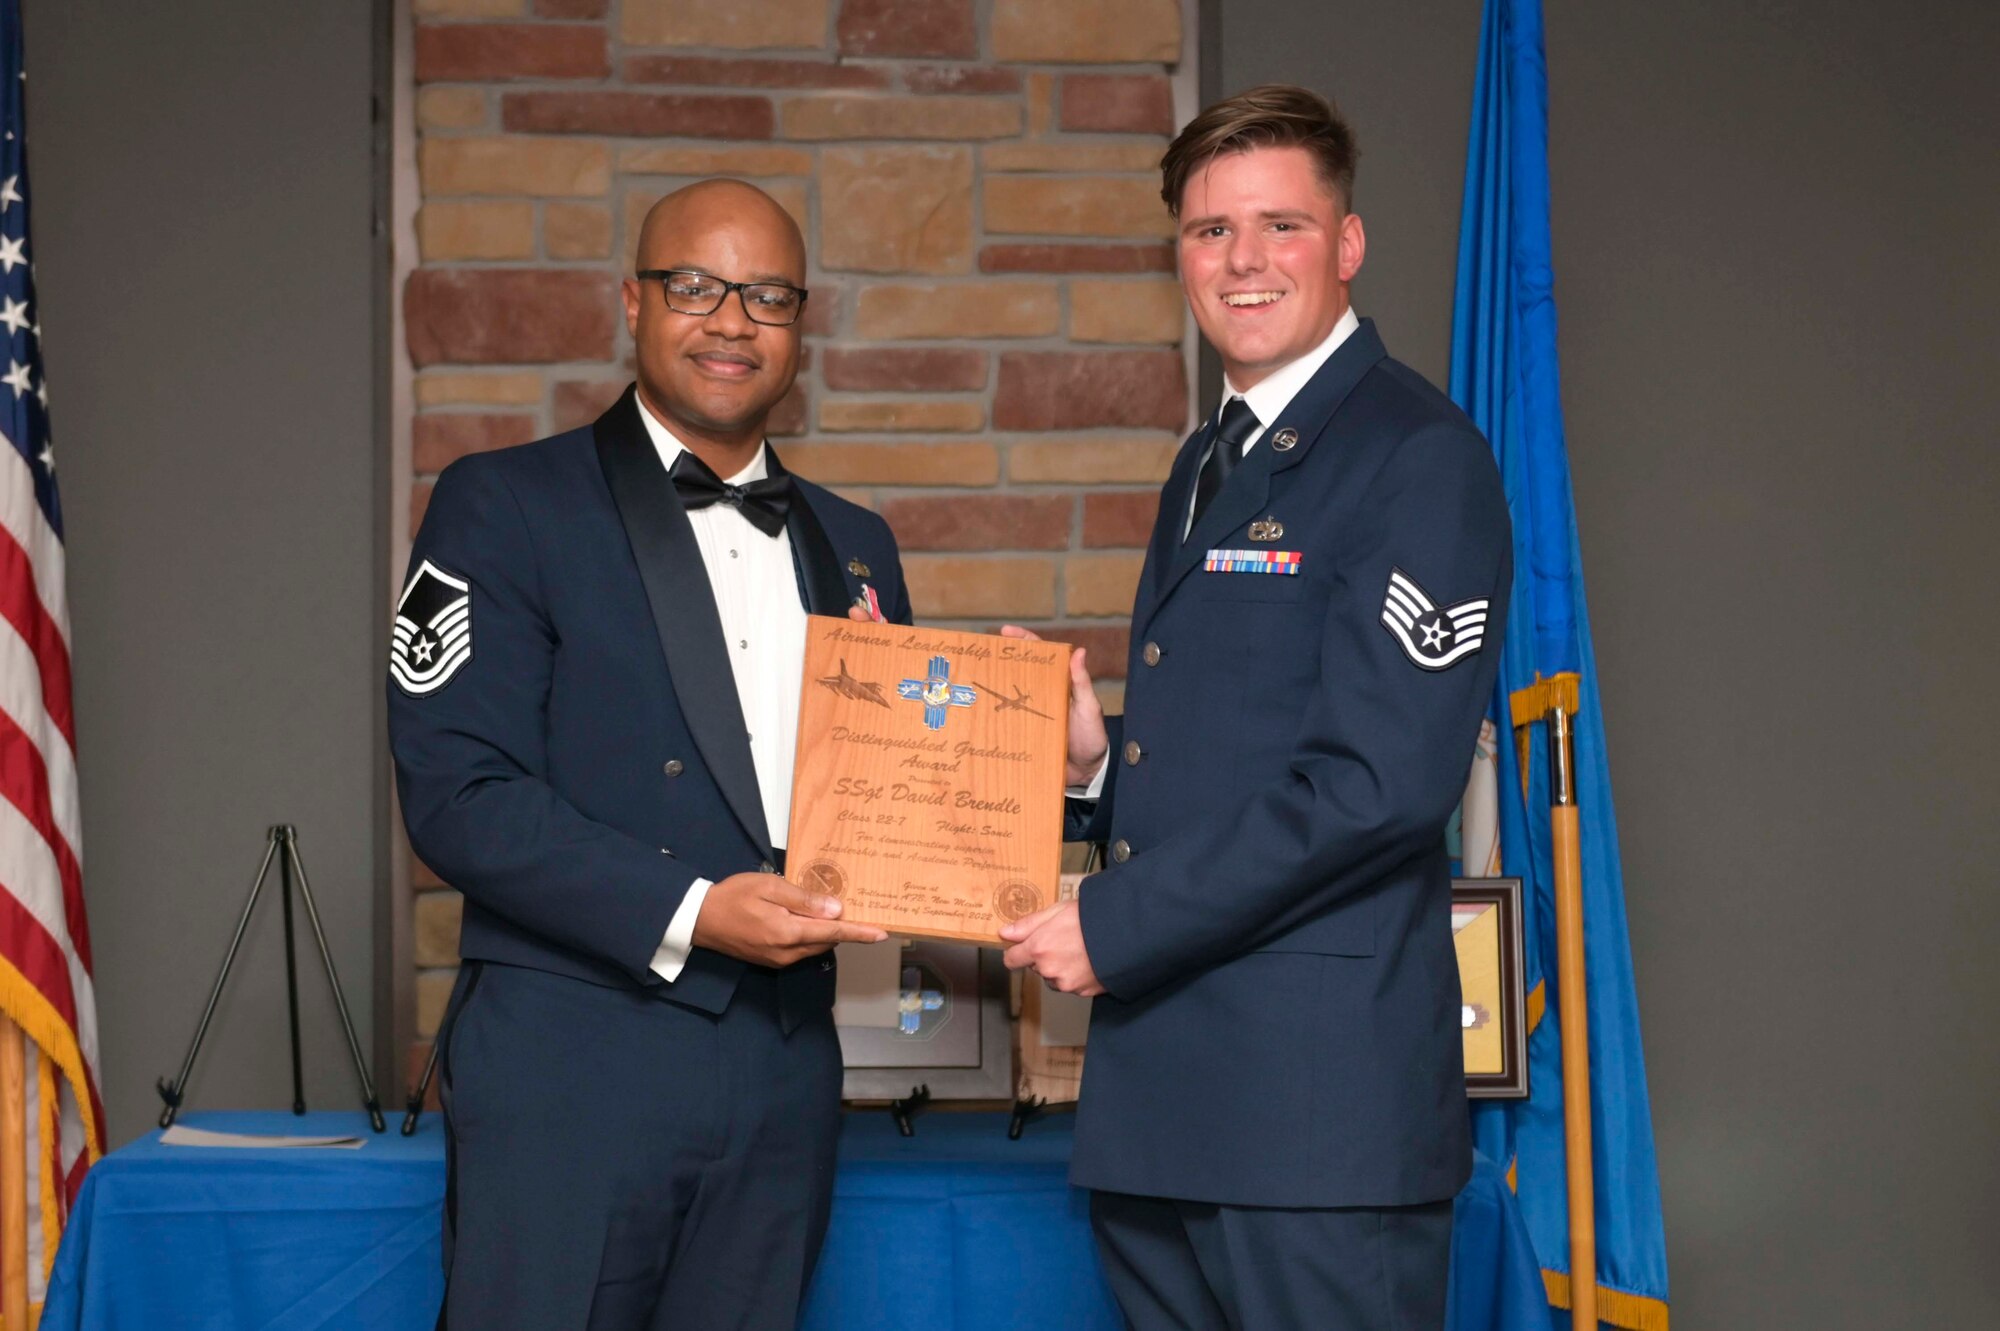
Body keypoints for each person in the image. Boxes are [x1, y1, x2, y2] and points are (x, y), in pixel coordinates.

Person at [999, 86, 1513, 1330]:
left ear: (1344, 245)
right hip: (1165, 1107)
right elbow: (1236, 755)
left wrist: (1113, 925)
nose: (1241, 261)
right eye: (1207, 230)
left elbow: (1375, 784)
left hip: (1313, 1124)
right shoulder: (1206, 458)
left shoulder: (1416, 455)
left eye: (1279, 225)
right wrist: (1093, 766)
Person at [388, 179, 901, 1330]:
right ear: (632, 300)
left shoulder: (856, 545)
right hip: (576, 1064)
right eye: (695, 286)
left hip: (784, 1072)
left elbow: (886, 804)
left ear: (799, 324)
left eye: (767, 295)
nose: (732, 320)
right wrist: (696, 908)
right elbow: (458, 794)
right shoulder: (501, 503)